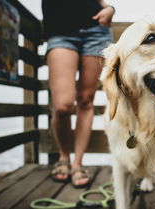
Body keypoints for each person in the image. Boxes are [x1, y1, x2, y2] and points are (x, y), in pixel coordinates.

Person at [42, 0, 115, 187]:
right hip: (60, 32)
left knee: (85, 101)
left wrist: (110, 9)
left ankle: (77, 163)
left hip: (96, 31)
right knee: (62, 105)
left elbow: (102, 2)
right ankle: (63, 157)